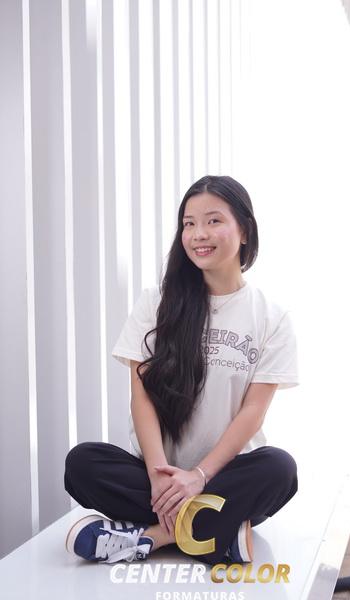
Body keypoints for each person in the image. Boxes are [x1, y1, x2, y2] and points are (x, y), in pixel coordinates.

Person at [64, 174, 299, 567]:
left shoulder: (271, 317)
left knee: (279, 470)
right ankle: (216, 534)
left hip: (226, 478)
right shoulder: (156, 303)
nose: (198, 234)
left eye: (213, 221)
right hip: (157, 479)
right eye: (189, 223)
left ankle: (154, 537)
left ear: (245, 230)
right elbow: (141, 397)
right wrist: (159, 476)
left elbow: (253, 412)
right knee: (82, 464)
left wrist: (200, 477)